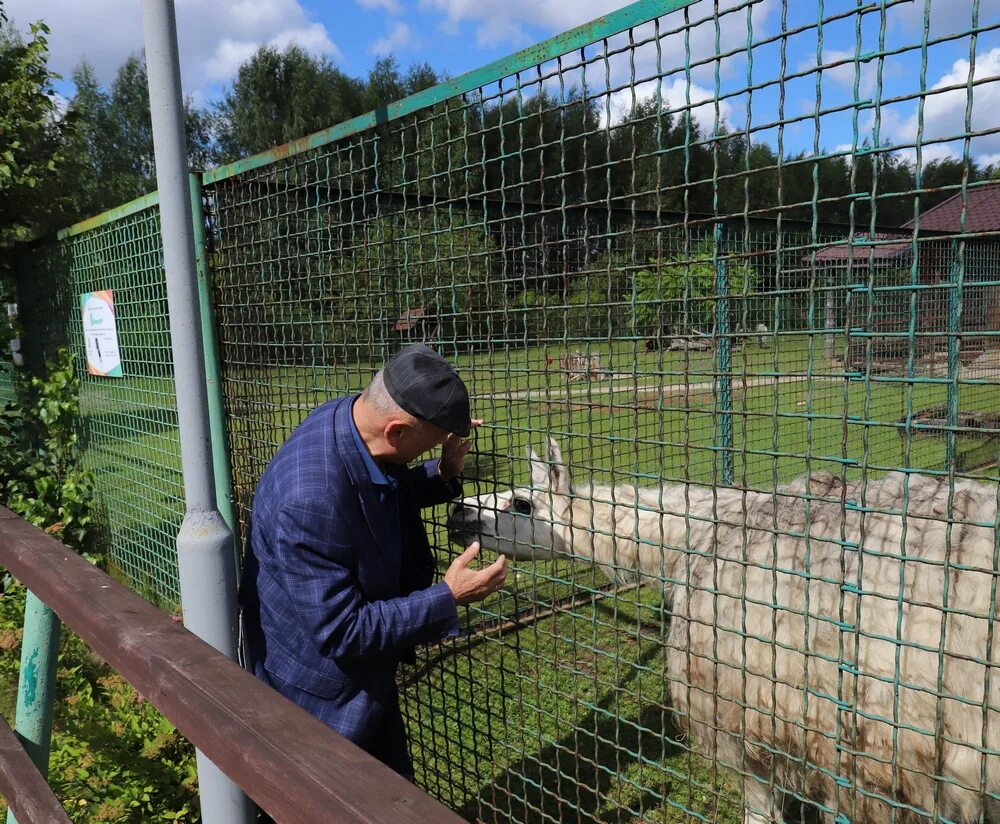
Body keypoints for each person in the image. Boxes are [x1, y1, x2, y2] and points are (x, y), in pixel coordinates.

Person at [239, 343, 506, 783]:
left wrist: (440, 475)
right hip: (321, 699)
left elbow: (379, 489)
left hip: (363, 678)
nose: (432, 449)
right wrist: (449, 596)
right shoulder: (309, 499)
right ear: (397, 431)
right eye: (431, 442)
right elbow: (344, 631)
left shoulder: (350, 420)